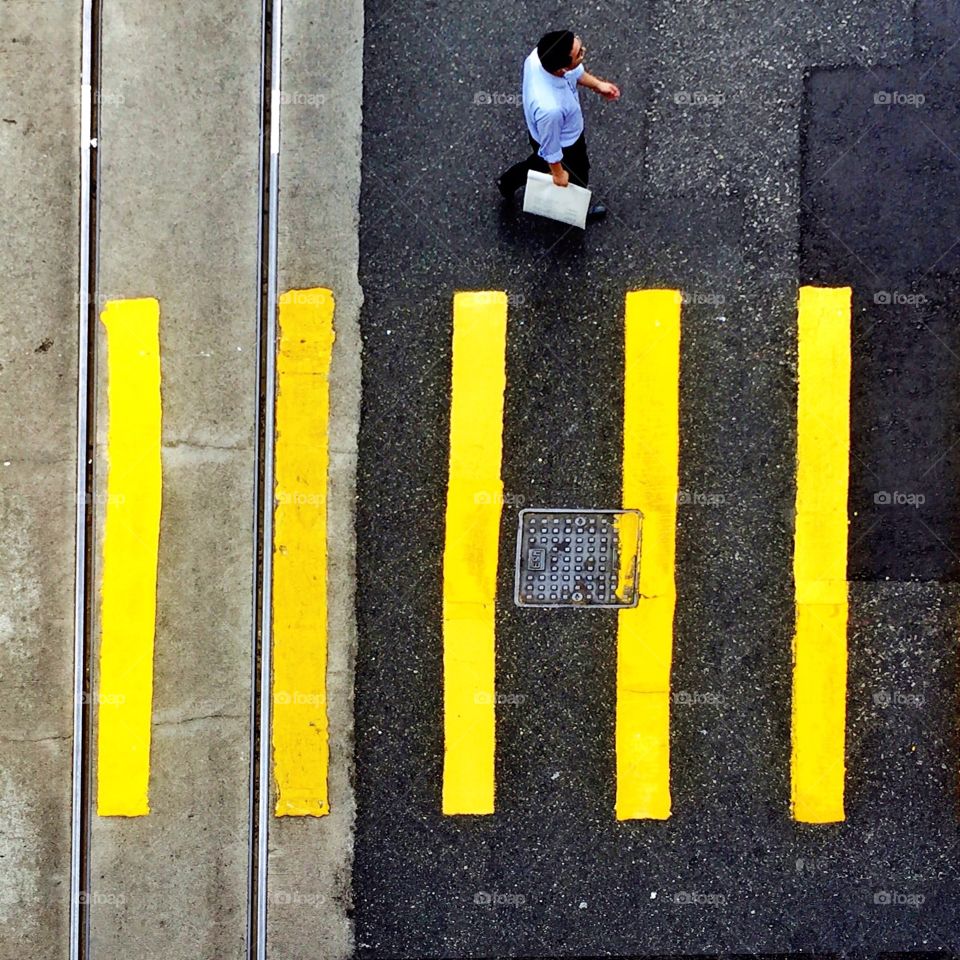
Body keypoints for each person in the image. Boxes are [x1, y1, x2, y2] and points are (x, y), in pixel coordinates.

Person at [498, 30, 621, 220]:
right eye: (579, 53)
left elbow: (574, 72)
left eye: (578, 42)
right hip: (565, 143)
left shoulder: (540, 56)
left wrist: (597, 85)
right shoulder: (551, 109)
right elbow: (551, 145)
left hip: (542, 132)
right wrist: (558, 173)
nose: (584, 50)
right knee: (578, 173)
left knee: (537, 162)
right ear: (562, 70)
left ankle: (507, 182)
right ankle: (577, 211)